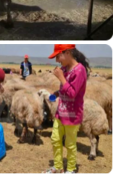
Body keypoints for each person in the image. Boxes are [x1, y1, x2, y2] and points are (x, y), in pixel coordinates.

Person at [45, 44, 90, 174]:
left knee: (70, 144)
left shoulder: (79, 70)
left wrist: (60, 78)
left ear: (68, 53)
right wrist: (57, 94)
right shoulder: (65, 69)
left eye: (58, 56)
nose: (57, 60)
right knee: (55, 139)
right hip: (61, 113)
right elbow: (66, 89)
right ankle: (58, 167)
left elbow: (72, 93)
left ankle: (70, 169)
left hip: (72, 115)